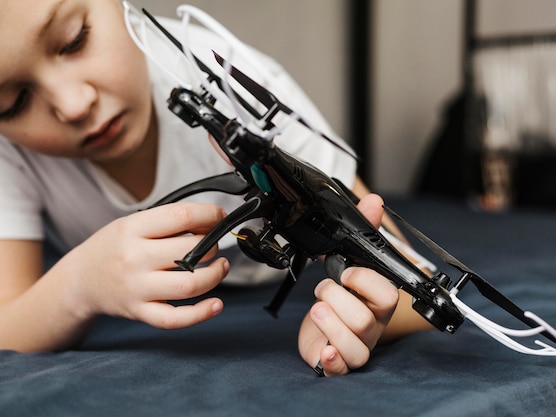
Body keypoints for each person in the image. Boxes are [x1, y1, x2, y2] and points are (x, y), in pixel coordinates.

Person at [0, 0, 431, 377]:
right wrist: (80, 285)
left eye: (75, 40)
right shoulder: (10, 150)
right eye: (13, 103)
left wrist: (359, 319)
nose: (74, 104)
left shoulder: (233, 81)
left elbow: (417, 287)